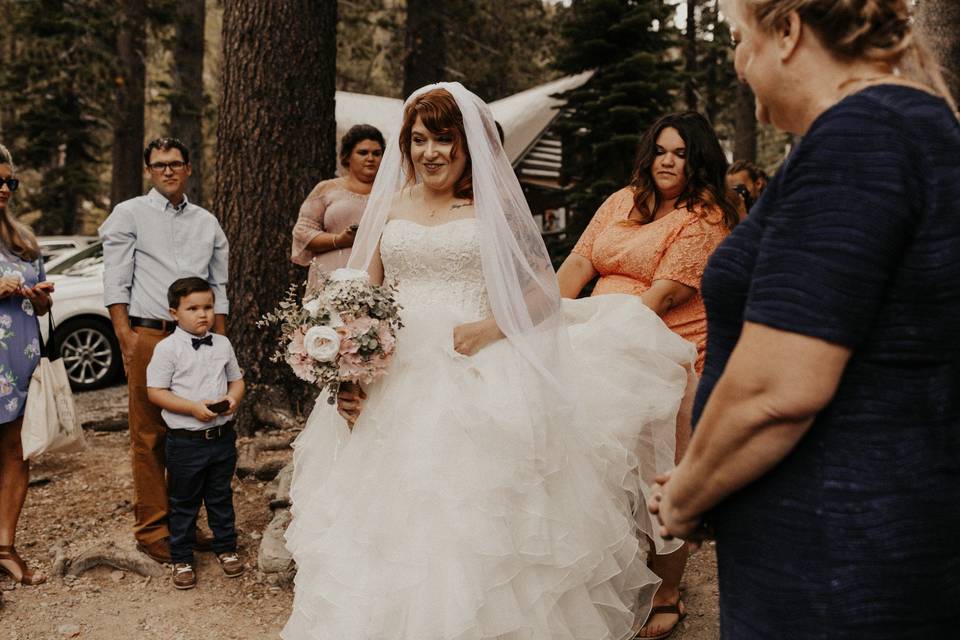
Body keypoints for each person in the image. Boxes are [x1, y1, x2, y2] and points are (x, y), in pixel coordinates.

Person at [281, 84, 697, 639]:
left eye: (444, 140)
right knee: (387, 520)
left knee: (474, 519)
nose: (431, 152)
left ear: (466, 145)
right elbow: (364, 291)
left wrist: (489, 328)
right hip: (394, 378)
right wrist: (348, 368)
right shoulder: (393, 206)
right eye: (420, 140)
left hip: (479, 370)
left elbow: (543, 294)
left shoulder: (491, 208)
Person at [649, 1, 960, 638]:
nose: (739, 64)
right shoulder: (890, 127)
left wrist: (686, 495)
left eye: (740, 39)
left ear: (787, 32)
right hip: (853, 530)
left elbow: (777, 388)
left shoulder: (862, 134)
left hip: (836, 552)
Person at [557, 111, 739, 639]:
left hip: (666, 353)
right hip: (595, 340)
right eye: (661, 149)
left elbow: (660, 298)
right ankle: (602, 572)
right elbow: (577, 265)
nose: (667, 160)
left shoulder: (705, 217)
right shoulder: (621, 201)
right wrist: (537, 317)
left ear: (700, 159)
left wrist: (583, 327)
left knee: (660, 472)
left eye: (681, 153)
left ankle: (668, 590)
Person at [100, 137, 230, 564]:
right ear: (149, 171)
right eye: (159, 165)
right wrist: (127, 337)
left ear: (189, 168)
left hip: (202, 340)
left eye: (175, 163)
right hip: (151, 336)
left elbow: (219, 287)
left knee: (192, 433)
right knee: (151, 435)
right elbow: (116, 279)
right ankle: (153, 529)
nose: (168, 171)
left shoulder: (207, 222)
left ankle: (185, 523)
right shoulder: (130, 214)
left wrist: (221, 344)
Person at [146, 277, 245, 590]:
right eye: (193, 308)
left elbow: (237, 381)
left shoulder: (223, 344)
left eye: (208, 307)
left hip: (221, 437)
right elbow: (155, 392)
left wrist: (233, 400)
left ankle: (226, 547)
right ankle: (182, 557)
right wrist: (191, 408)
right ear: (175, 313)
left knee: (220, 496)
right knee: (184, 501)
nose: (203, 314)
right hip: (186, 442)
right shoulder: (167, 349)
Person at [0, 144, 53, 587]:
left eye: (9, 181)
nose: (4, 188)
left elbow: (43, 305)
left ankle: (6, 547)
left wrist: (39, 297)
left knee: (16, 452)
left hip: (20, 364)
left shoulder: (24, 239)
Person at [291, 124, 385, 291]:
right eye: (363, 152)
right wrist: (339, 240)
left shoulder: (392, 194)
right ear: (347, 156)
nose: (370, 158)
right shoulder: (327, 188)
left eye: (376, 153)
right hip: (329, 275)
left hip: (374, 278)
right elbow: (302, 232)